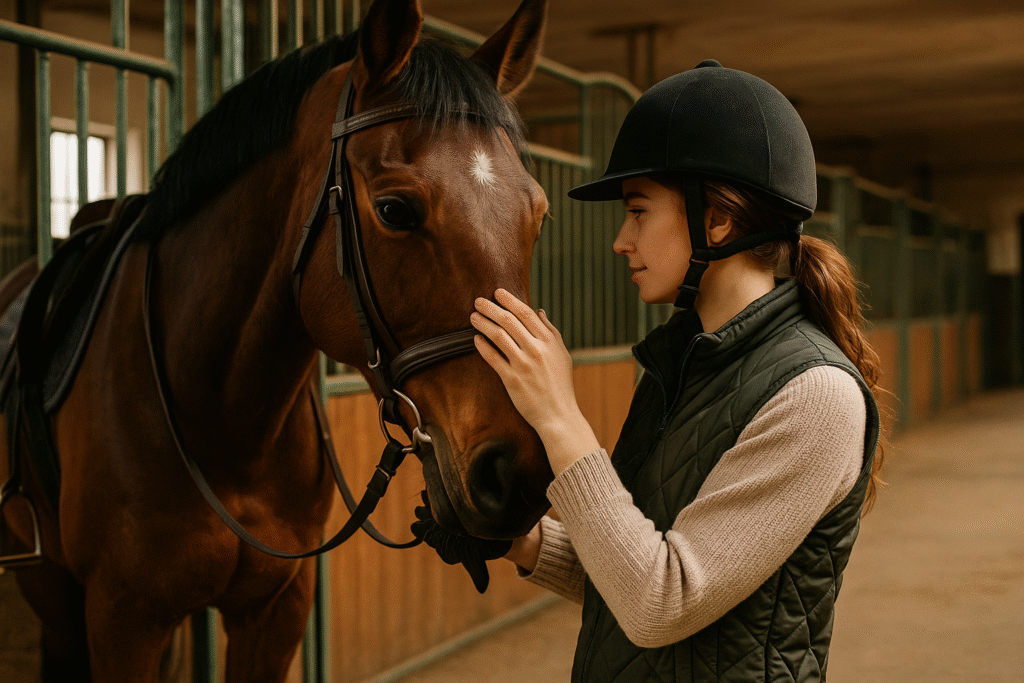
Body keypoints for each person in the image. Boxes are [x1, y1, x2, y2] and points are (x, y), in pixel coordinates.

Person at [468, 59, 883, 682]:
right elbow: (635, 568)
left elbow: (661, 603)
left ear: (716, 219)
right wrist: (518, 538)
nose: (620, 240)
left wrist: (557, 415)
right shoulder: (686, 363)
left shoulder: (817, 396)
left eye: (638, 212)